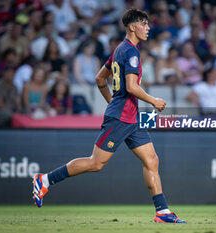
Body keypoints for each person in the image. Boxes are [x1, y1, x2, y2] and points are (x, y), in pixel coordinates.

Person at [32, 9, 186, 224]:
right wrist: (153, 101)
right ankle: (45, 179)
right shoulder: (130, 52)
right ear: (132, 27)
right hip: (121, 117)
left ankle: (162, 212)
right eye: (144, 24)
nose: (148, 28)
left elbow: (99, 78)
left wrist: (112, 101)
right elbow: (132, 87)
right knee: (96, 163)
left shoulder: (120, 50)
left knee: (152, 160)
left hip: (131, 118)